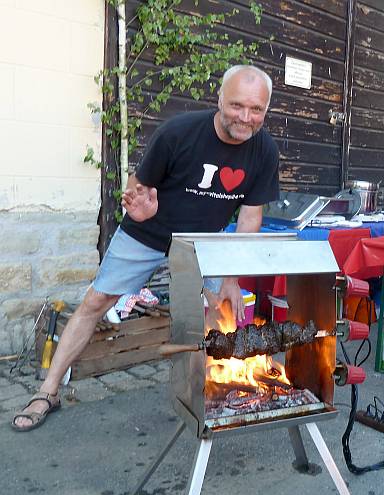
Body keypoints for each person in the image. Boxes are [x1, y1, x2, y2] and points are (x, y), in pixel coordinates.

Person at [11, 65, 281, 431]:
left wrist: (231, 278)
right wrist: (139, 205)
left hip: (204, 241)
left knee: (225, 309)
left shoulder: (264, 150)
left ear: (266, 109)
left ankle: (215, 386)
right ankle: (47, 391)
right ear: (219, 98)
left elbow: (250, 218)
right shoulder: (178, 132)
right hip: (148, 232)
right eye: (236, 105)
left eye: (256, 109)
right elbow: (136, 186)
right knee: (95, 302)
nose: (245, 117)